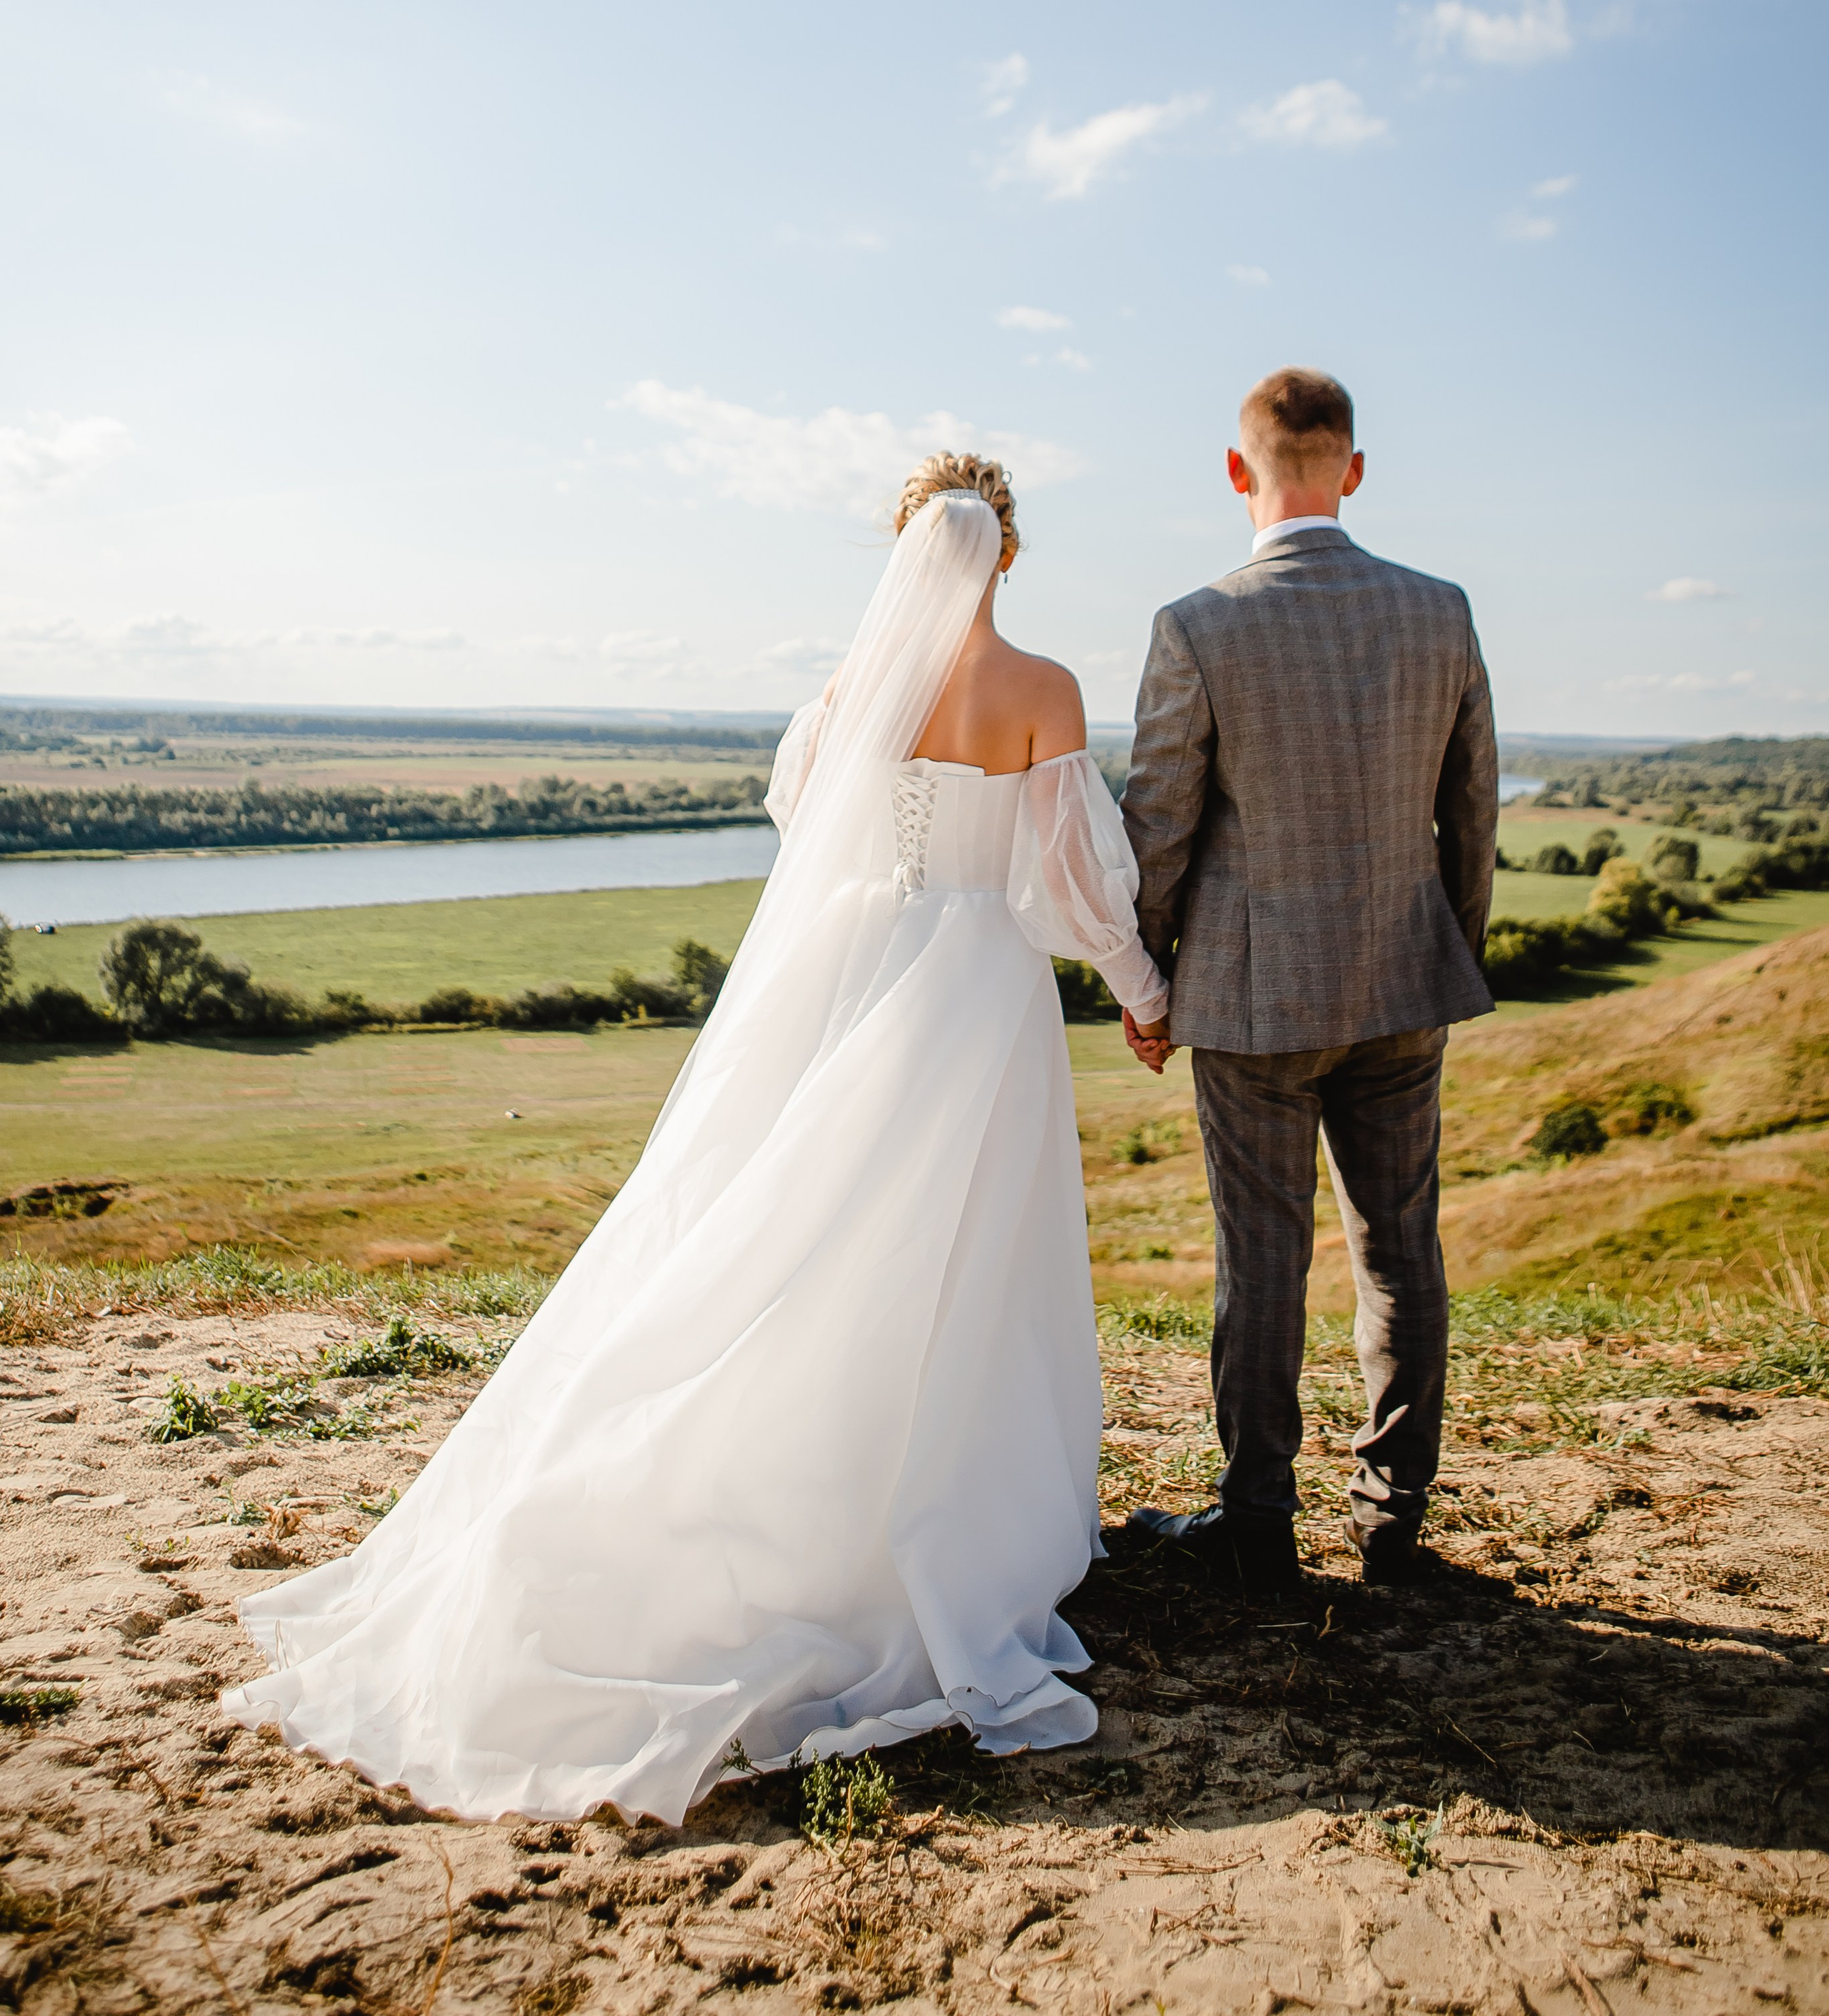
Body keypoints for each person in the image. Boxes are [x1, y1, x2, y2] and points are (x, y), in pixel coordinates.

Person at [223, 454, 1168, 1826]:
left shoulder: (845, 696)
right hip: (972, 1001)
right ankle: (938, 1510)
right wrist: (1142, 991)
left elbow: (809, 830)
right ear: (1008, 556)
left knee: (794, 1234)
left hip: (849, 974)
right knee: (965, 1256)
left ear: (900, 551)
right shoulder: (1043, 691)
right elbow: (1072, 880)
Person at [1117, 369, 1497, 1592]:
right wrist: (1447, 953)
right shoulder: (1441, 611)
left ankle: (1257, 1529)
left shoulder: (1198, 625)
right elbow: (1472, 815)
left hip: (1253, 1002)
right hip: (1403, 985)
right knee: (1402, 1254)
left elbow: (1159, 825)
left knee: (1263, 1264)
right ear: (1355, 469)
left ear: (1238, 471)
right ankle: (1393, 1522)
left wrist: (1147, 981)